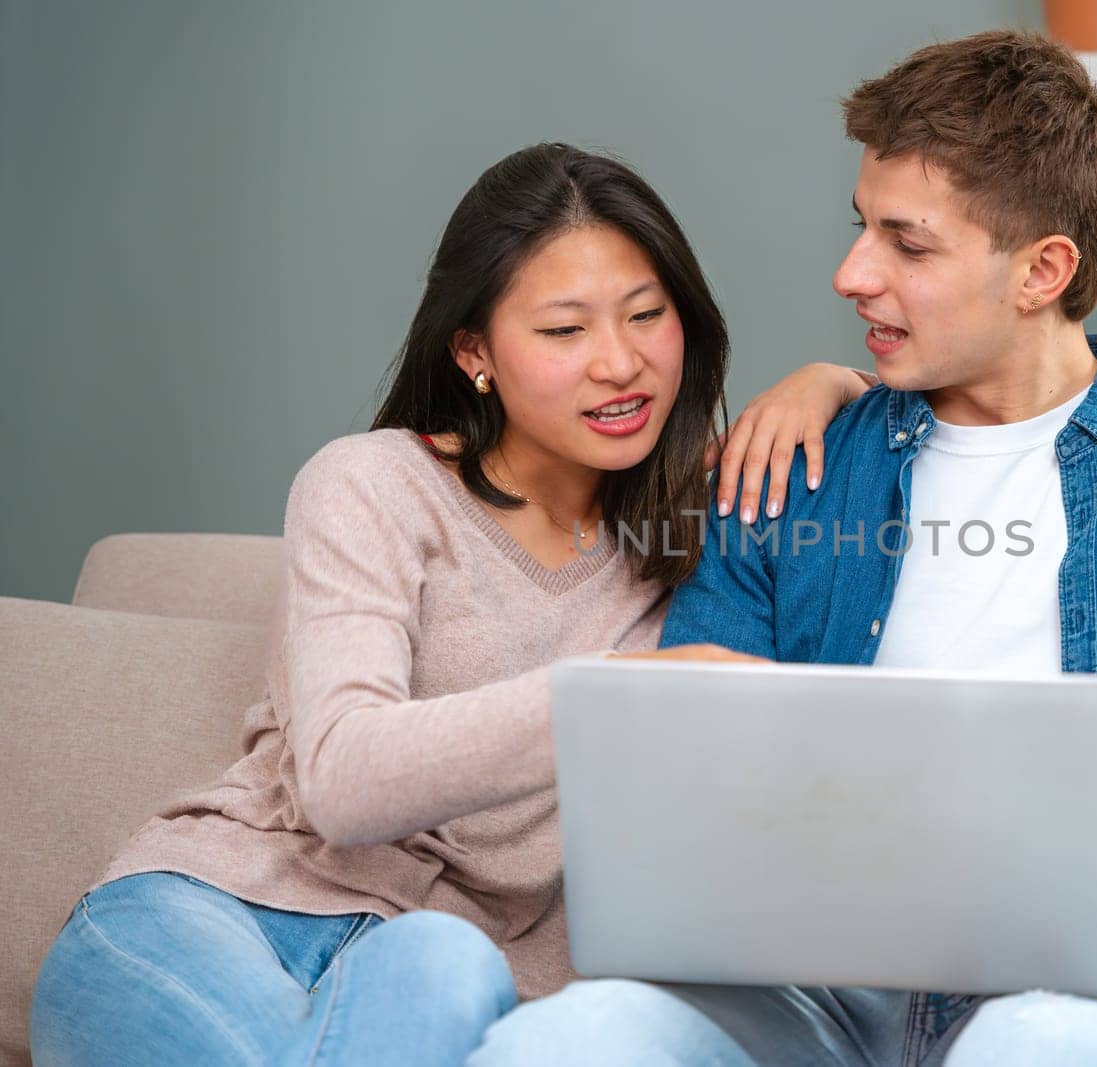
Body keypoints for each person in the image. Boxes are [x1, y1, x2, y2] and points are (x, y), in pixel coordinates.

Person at [478, 31, 1097, 1067]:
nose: (850, 273)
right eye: (860, 226)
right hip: (807, 992)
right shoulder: (789, 471)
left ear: (1043, 270)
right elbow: (693, 765)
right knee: (570, 1038)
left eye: (906, 245)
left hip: (1072, 990)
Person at [28, 142, 872, 1066]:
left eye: (647, 315)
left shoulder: (693, 539)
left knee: (441, 961)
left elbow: (917, 433)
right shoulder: (373, 484)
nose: (621, 364)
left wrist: (831, 386)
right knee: (434, 960)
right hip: (220, 918)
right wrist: (627, 692)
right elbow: (344, 779)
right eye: (564, 331)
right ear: (475, 350)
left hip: (450, 985)